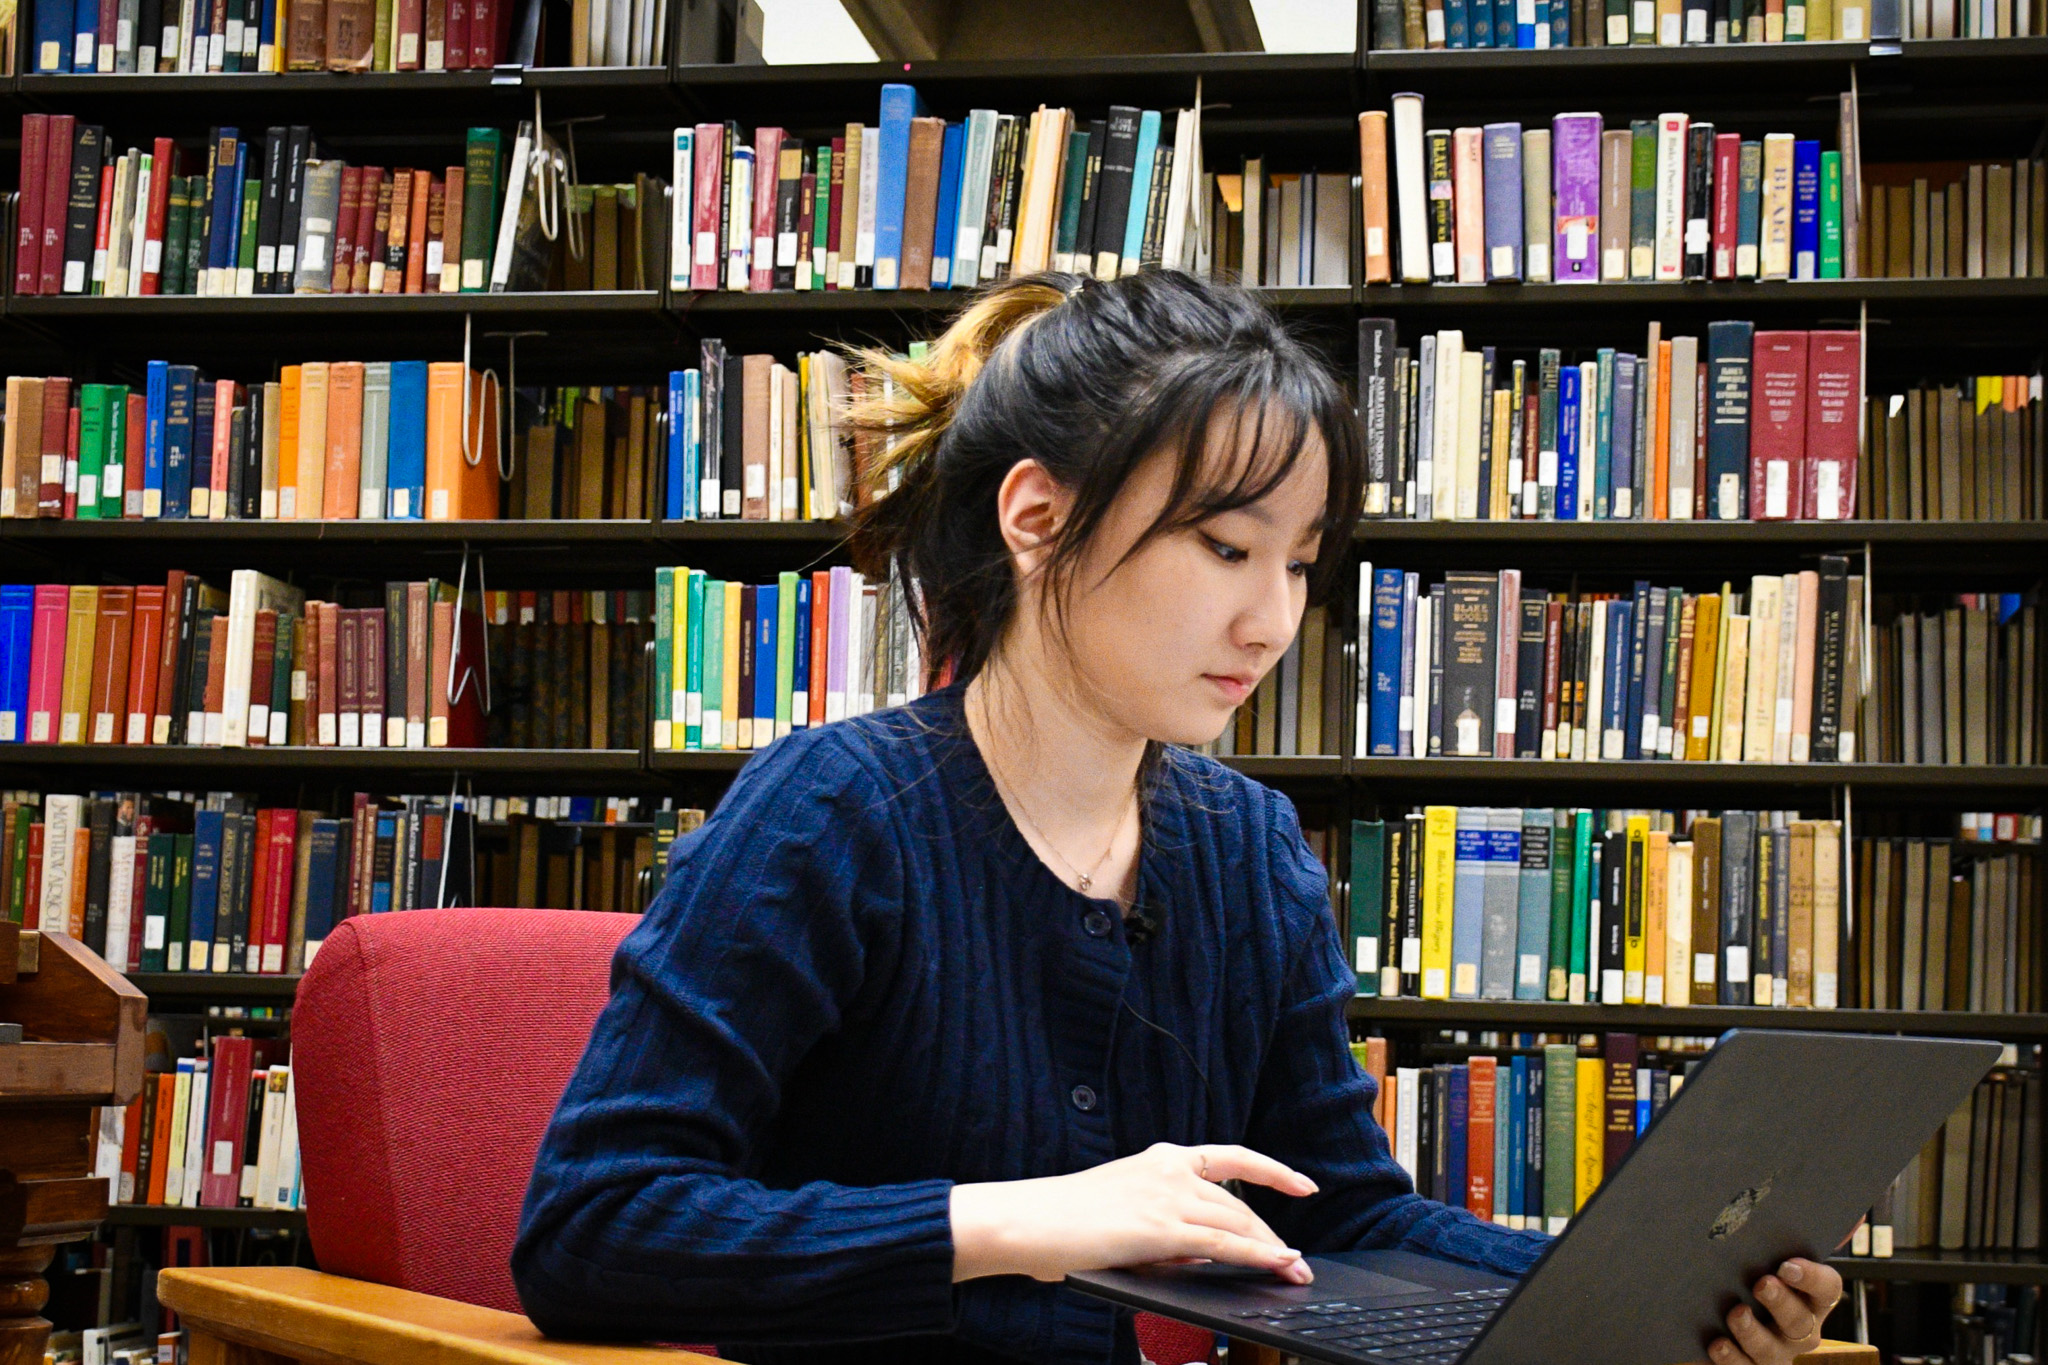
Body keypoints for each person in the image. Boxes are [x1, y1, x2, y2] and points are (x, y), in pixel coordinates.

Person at [510, 268, 1843, 1365]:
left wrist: (1647, 1289)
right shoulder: (832, 814)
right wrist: (1021, 1219)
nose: (1271, 619)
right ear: (1037, 517)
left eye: (1301, 561)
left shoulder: (1244, 848)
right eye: (1225, 546)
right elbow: (593, 1225)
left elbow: (1344, 1212)